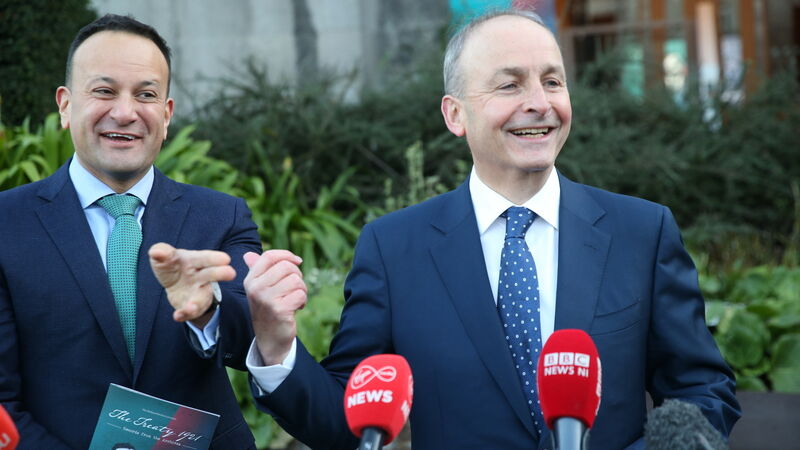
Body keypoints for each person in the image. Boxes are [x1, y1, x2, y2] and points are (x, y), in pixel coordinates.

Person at [244, 10, 741, 449]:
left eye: (553, 81)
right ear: (455, 114)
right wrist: (276, 346)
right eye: (510, 85)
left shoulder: (642, 232)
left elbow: (702, 392)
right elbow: (344, 424)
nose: (540, 102)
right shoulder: (394, 250)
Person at [0, 14, 261, 449]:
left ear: (166, 114)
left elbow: (253, 341)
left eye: (146, 95)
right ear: (65, 105)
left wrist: (207, 311)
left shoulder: (221, 217)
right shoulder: (7, 224)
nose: (125, 113)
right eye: (104, 91)